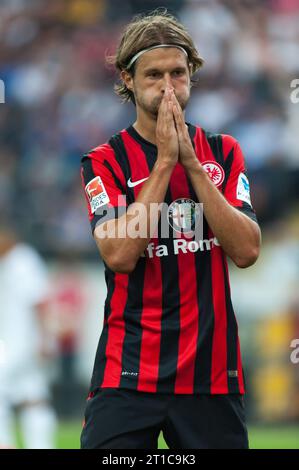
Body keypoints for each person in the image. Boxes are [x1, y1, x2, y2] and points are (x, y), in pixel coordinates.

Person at [80, 9, 261, 449]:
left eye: (178, 73)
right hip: (128, 372)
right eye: (153, 74)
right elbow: (120, 256)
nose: (167, 87)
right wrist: (164, 162)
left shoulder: (223, 151)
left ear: (192, 75)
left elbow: (246, 251)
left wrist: (192, 166)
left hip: (211, 374)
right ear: (127, 78)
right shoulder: (105, 161)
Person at [0, 224, 57, 448]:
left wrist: (45, 339)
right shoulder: (8, 261)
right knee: (34, 397)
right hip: (16, 343)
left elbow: (40, 302)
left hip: (21, 343)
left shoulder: (23, 260)